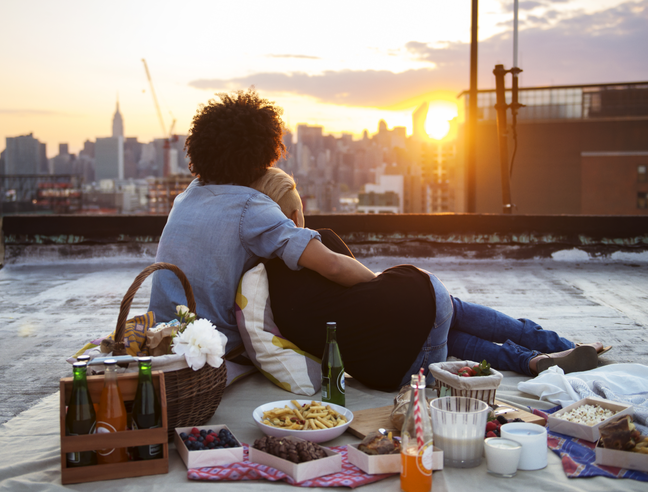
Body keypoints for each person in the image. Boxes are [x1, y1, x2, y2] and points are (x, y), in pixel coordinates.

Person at [250, 167, 606, 390]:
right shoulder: (318, 240)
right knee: (451, 312)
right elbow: (364, 284)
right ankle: (556, 342)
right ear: (296, 215)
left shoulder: (265, 286)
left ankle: (530, 361)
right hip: (422, 304)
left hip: (401, 372)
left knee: (439, 335)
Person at [147, 90, 377, 358]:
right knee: (312, 250)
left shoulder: (187, 195)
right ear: (264, 152)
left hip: (160, 339)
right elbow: (333, 266)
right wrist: (380, 284)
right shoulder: (250, 207)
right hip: (211, 348)